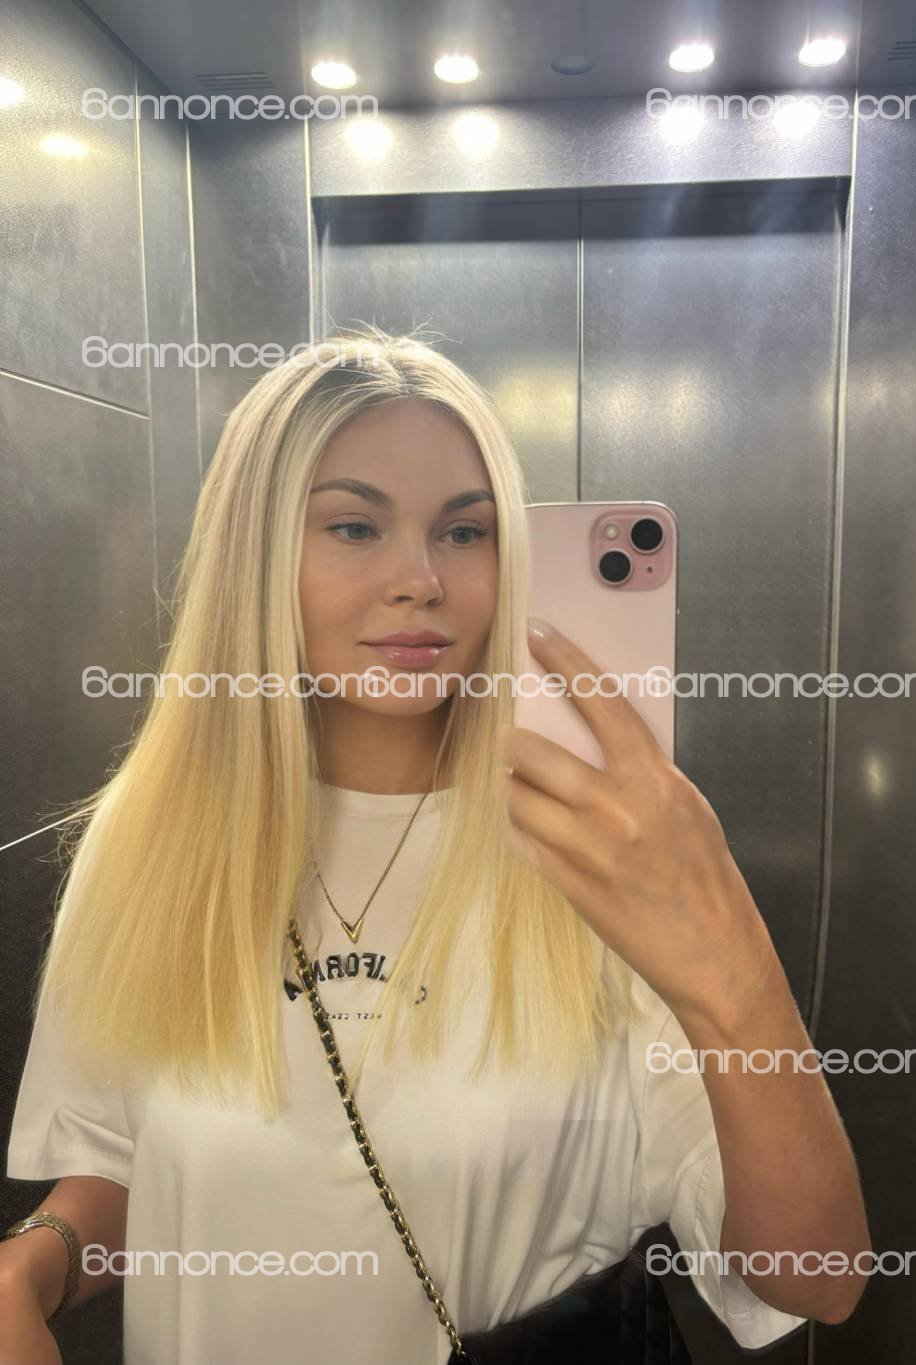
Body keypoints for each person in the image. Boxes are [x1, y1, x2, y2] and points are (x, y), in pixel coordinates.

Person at [2, 331, 870, 1363]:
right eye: (354, 526)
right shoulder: (149, 841)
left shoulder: (599, 856)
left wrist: (734, 973)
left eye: (465, 533)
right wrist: (33, 1268)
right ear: (255, 556)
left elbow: (816, 1279)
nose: (419, 579)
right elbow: (125, 1161)